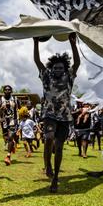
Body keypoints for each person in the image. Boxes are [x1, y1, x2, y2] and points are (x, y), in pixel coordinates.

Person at [33, 33, 80, 192]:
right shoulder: (46, 76)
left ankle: (55, 178)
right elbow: (37, 62)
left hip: (65, 117)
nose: (58, 69)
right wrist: (35, 43)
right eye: (55, 67)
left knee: (59, 147)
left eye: (61, 67)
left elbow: (77, 62)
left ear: (64, 69)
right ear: (51, 68)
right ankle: (47, 166)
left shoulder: (69, 77)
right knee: (48, 139)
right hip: (49, 115)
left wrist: (73, 43)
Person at [0, 85, 19, 166]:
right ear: (3, 91)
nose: (7, 91)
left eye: (9, 90)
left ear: (11, 91)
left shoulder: (15, 99)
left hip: (13, 121)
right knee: (6, 139)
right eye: (6, 90)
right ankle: (11, 145)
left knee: (10, 137)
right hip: (4, 122)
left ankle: (8, 156)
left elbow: (20, 109)